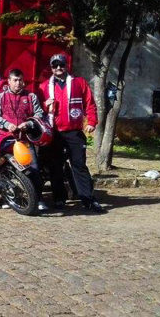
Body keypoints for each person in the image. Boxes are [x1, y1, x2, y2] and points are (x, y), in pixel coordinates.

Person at [38, 54, 103, 213]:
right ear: (51, 68)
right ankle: (60, 198)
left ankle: (88, 199)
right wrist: (45, 105)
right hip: (53, 133)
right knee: (55, 167)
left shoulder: (79, 83)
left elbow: (90, 104)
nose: (58, 68)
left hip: (74, 132)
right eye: (55, 65)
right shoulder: (44, 86)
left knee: (79, 165)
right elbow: (37, 109)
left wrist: (92, 122)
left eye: (61, 65)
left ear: (67, 66)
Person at [0, 68, 47, 211]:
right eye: (15, 80)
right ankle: (6, 198)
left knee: (33, 168)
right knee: (2, 168)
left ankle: (38, 199)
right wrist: (7, 124)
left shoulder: (31, 96)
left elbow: (39, 114)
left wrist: (28, 124)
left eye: (20, 80)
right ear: (9, 81)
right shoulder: (1, 97)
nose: (18, 83)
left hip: (24, 139)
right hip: (5, 139)